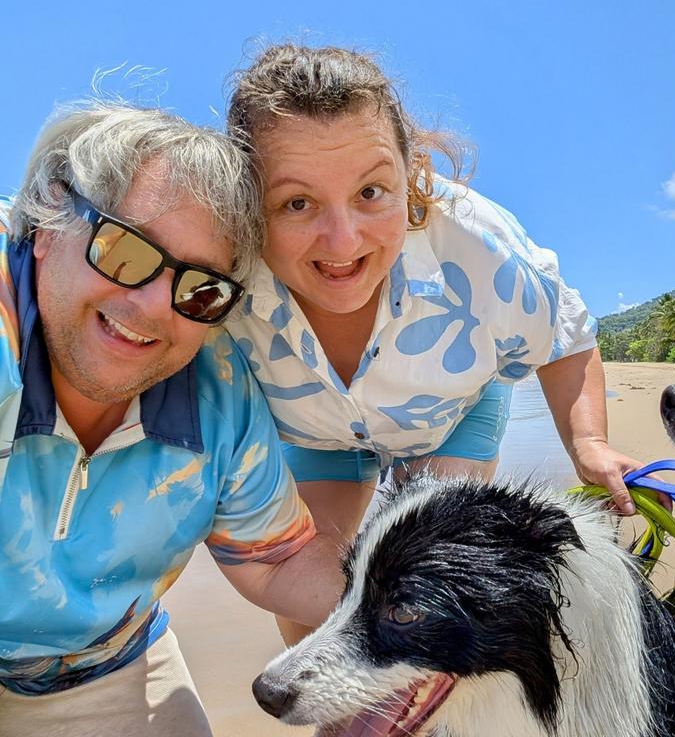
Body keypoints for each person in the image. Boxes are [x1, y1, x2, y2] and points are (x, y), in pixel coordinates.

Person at [225, 44, 646, 587]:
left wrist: (588, 444)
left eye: (371, 192)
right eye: (297, 203)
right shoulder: (218, 271)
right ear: (247, 202)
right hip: (317, 434)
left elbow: (564, 338)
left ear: (412, 175)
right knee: (317, 589)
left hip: (453, 413)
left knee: (429, 570)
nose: (343, 240)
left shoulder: (479, 249)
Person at [0, 103, 343, 737]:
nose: (154, 306)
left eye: (200, 288)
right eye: (125, 251)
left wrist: (426, 599)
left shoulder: (220, 390)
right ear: (48, 222)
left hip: (107, 662)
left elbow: (278, 561)